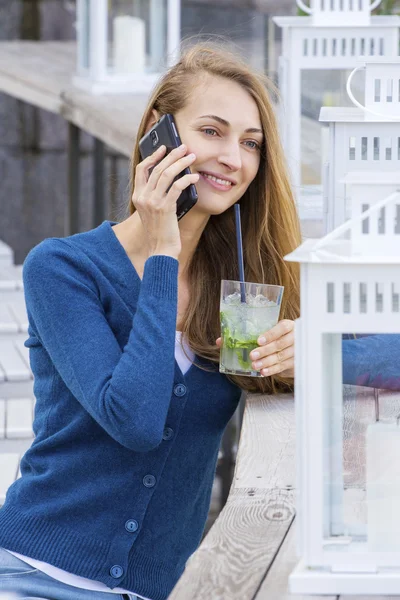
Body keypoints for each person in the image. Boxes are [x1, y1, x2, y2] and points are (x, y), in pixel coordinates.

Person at [0, 40, 398, 600]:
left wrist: (317, 349)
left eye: (251, 143)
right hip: (31, 573)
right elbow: (135, 419)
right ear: (158, 135)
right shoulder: (64, 269)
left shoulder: (247, 288)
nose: (234, 158)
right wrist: (163, 247)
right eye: (212, 131)